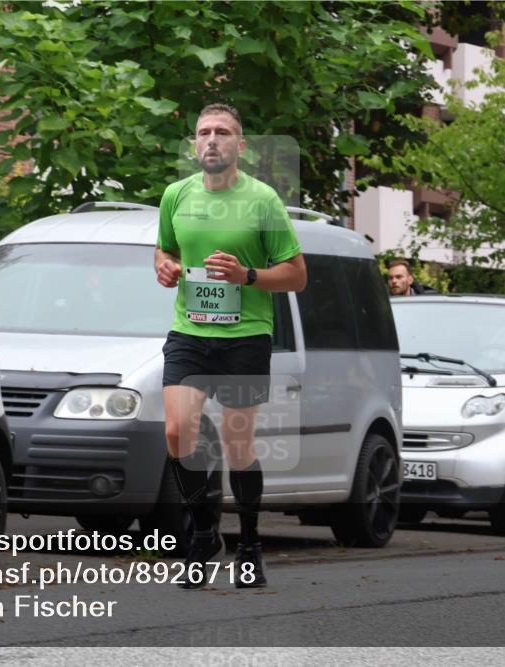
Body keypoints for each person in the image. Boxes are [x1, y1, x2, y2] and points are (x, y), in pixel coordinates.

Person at [154, 103, 307, 588]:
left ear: (240, 146)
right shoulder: (176, 196)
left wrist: (248, 275)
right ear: (193, 144)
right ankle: (204, 534)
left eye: (222, 133)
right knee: (179, 432)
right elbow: (165, 249)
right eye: (204, 133)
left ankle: (250, 543)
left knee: (239, 444)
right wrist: (163, 265)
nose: (212, 140)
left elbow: (298, 276)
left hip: (245, 336)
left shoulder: (263, 201)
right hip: (189, 333)